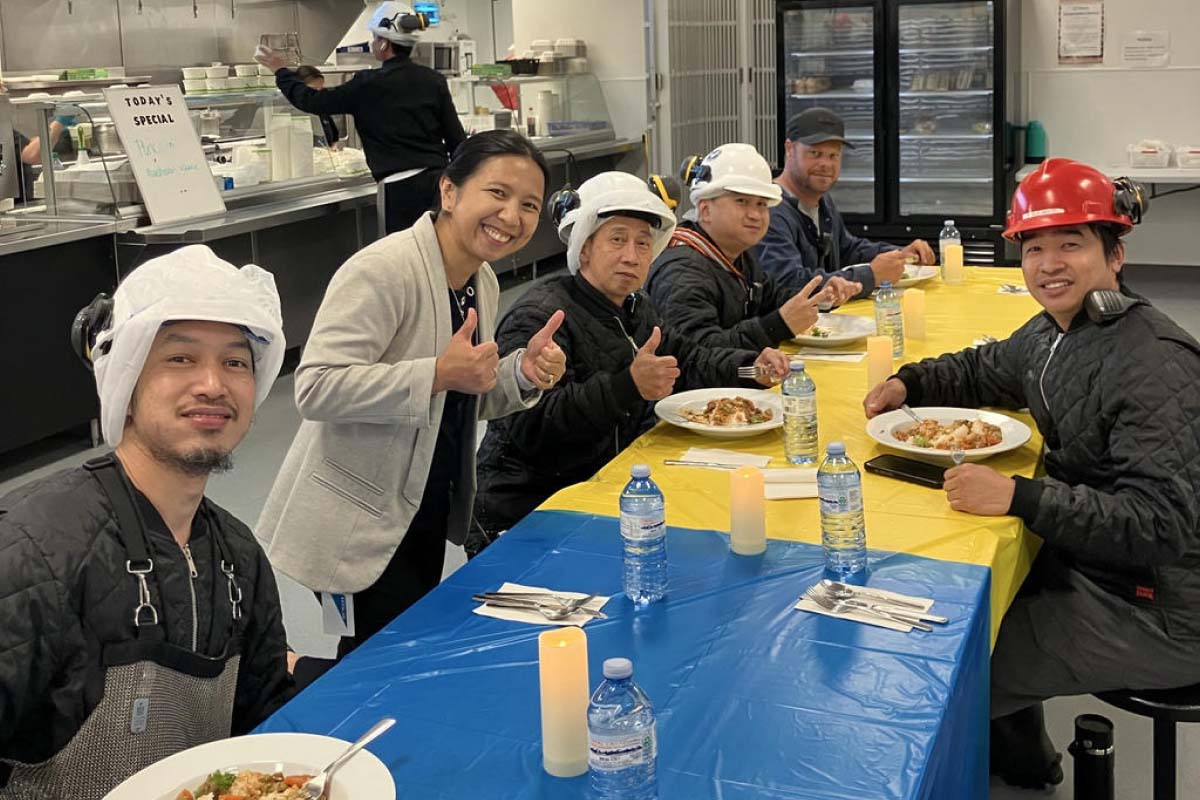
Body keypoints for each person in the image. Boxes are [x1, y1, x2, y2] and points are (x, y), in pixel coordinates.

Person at [862, 158, 1200, 790]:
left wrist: (1020, 495)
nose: (1050, 264)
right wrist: (909, 381)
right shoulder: (1055, 333)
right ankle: (1022, 760)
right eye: (1035, 247)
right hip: (1096, 564)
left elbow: (1159, 525)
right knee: (940, 593)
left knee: (943, 665)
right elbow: (985, 367)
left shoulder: (1155, 361)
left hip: (1159, 606)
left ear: (1115, 255)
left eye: (1071, 244)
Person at [257, 130, 566, 658]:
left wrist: (521, 374)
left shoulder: (480, 282)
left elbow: (462, 396)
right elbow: (316, 387)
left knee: (399, 649)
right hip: (356, 519)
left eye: (529, 205)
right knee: (374, 660)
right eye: (497, 193)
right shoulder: (385, 270)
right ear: (449, 192)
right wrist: (438, 374)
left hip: (420, 506)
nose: (511, 216)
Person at [0, 246, 294, 798]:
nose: (213, 384)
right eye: (180, 359)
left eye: (235, 362)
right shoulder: (33, 547)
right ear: (126, 385)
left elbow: (265, 723)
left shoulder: (238, 556)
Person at [472, 171, 790, 551]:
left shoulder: (637, 308)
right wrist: (628, 386)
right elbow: (533, 430)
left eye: (643, 243)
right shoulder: (542, 315)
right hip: (530, 510)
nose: (632, 255)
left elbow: (688, 359)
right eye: (617, 240)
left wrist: (753, 368)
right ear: (583, 248)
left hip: (616, 488)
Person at [256, 2, 466, 233]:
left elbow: (312, 101)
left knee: (403, 261)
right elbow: (457, 139)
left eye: (375, 37)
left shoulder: (367, 84)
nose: (372, 42)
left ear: (384, 42)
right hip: (439, 185)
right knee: (440, 253)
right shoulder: (433, 79)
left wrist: (281, 71)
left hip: (399, 191)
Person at [646, 142, 845, 351]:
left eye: (761, 204)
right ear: (705, 210)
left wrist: (820, 296)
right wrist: (777, 326)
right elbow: (700, 355)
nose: (755, 214)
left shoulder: (738, 255)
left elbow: (771, 298)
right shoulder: (681, 273)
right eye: (741, 201)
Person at [756, 107, 935, 299]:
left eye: (833, 155)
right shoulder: (770, 210)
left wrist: (900, 255)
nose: (826, 164)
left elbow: (849, 249)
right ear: (789, 149)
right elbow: (789, 284)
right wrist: (871, 275)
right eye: (815, 153)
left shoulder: (823, 201)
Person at [293, 65, 341, 147]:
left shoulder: (321, 109)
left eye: (321, 89)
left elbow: (334, 138)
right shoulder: (291, 114)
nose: (318, 94)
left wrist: (333, 147)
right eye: (314, 89)